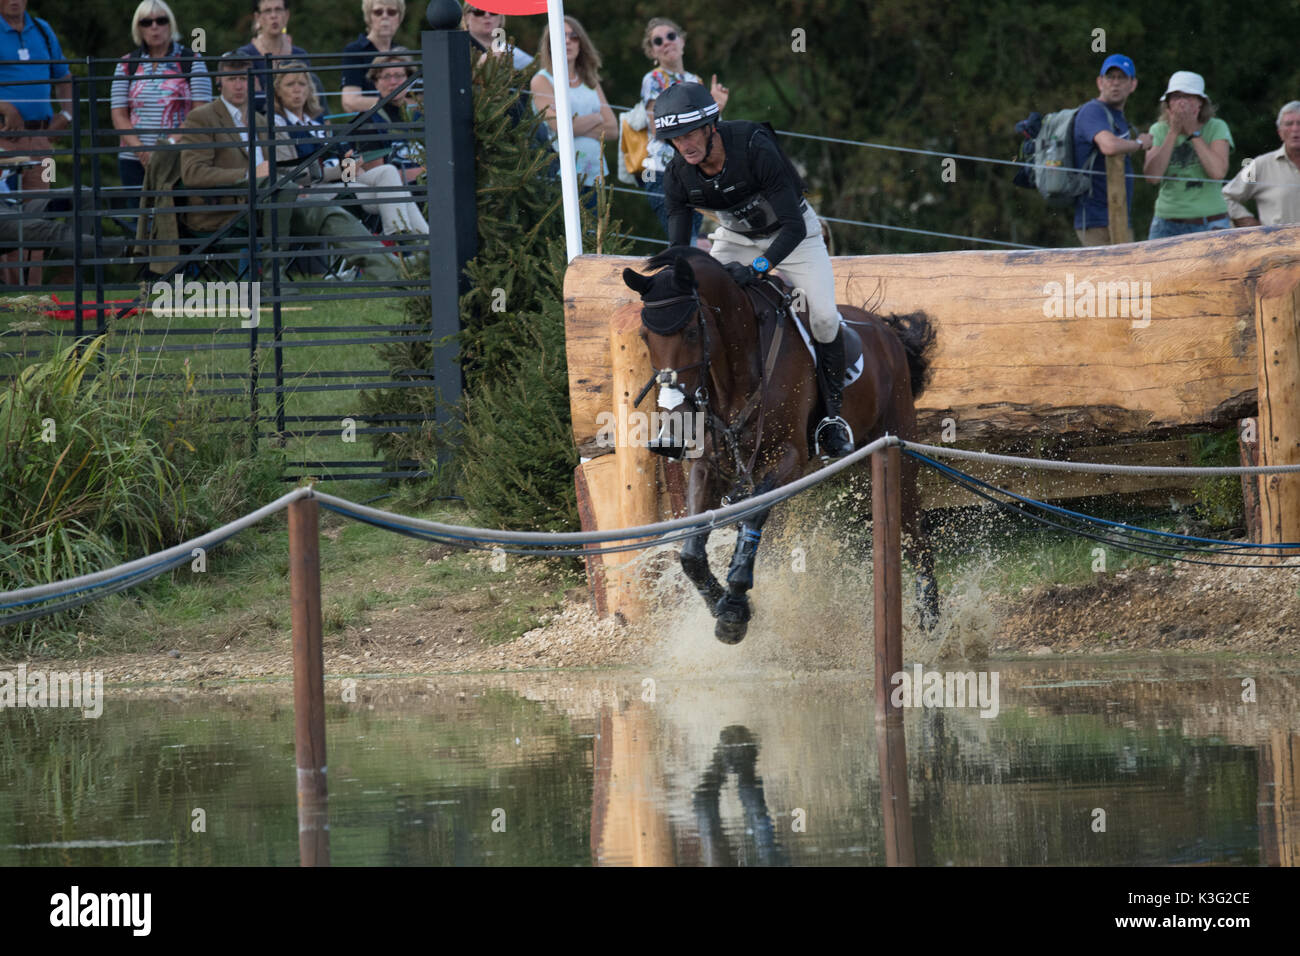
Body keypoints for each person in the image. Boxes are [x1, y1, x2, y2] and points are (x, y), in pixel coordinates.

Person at [654, 81, 853, 458]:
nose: (686, 145)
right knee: (695, 311)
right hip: (735, 238)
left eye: (691, 133)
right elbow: (680, 250)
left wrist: (761, 268)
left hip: (795, 237)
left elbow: (793, 226)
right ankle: (682, 419)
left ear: (712, 126)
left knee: (825, 318)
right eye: (677, 139)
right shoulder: (678, 175)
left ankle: (831, 420)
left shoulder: (753, 146)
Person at [180, 53, 401, 282]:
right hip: (231, 210)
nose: (239, 85)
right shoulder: (202, 118)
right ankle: (275, 280)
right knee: (326, 197)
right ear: (219, 82)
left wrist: (300, 181)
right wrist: (249, 175)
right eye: (231, 78)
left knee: (332, 212)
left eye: (244, 78)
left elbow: (283, 168)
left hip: (279, 199)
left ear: (254, 82)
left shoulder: (261, 121)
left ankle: (395, 271)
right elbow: (193, 174)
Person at [272, 60, 427, 235]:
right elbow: (290, 173)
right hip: (314, 190)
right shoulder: (278, 125)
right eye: (290, 84)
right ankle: (405, 243)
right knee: (392, 189)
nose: (297, 89)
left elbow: (336, 160)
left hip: (344, 181)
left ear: (309, 89)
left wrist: (352, 165)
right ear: (278, 91)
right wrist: (345, 169)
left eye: (302, 83)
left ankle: (420, 241)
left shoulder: (315, 122)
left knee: (388, 174)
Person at [637, 16, 729, 245]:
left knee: (689, 242)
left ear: (682, 41)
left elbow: (710, 132)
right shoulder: (653, 79)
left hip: (693, 170)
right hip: (662, 172)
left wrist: (717, 108)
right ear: (653, 52)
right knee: (683, 240)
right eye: (658, 41)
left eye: (670, 36)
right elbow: (657, 127)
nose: (666, 42)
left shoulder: (694, 80)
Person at [111, 0, 211, 191]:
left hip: (180, 156)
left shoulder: (192, 60)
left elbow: (202, 111)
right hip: (133, 159)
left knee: (177, 217)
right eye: (146, 22)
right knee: (138, 217)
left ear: (170, 24)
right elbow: (119, 115)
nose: (154, 27)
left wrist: (168, 145)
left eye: (161, 20)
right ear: (138, 28)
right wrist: (141, 150)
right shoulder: (126, 64)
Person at [530, 15, 616, 198]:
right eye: (561, 36)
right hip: (558, 175)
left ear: (581, 43)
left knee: (592, 227)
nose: (567, 41)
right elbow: (558, 127)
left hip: (594, 177)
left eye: (573, 36)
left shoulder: (591, 81)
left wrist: (573, 124)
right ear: (550, 43)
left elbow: (613, 130)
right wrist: (596, 118)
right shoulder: (542, 80)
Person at [1072, 53, 1152, 246]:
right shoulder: (1092, 111)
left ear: (1133, 85)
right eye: (1110, 77)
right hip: (1096, 221)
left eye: (1122, 78)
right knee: (1113, 276)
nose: (1115, 83)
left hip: (1118, 217)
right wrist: (1139, 144)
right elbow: (1109, 146)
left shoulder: (1117, 117)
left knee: (1124, 275)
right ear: (1100, 82)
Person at [1142, 71, 1233, 239]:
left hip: (1210, 222)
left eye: (1188, 97)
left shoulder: (1217, 127)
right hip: (1166, 223)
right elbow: (1152, 177)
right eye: (1176, 97)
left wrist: (1193, 133)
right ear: (1167, 104)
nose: (1182, 103)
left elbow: (1218, 173)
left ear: (1200, 104)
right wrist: (1173, 133)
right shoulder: (1158, 129)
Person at [0, 0, 72, 194]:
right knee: (6, 210)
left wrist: (66, 115)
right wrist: (3, 107)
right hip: (5, 137)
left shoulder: (43, 29)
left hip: (44, 139)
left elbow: (64, 76)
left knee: (43, 204)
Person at [232, 0, 323, 110]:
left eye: (278, 10)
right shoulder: (245, 55)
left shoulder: (300, 55)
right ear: (257, 17)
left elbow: (308, 99)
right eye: (267, 11)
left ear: (287, 15)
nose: (273, 16)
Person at [1222, 102, 1300, 227]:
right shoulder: (1260, 165)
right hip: (1278, 245)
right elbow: (1225, 197)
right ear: (1280, 132)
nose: (1295, 129)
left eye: (1299, 123)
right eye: (1289, 124)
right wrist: (1247, 221)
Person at [340, 0, 406, 114]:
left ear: (399, 18)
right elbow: (349, 102)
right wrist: (393, 103)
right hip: (370, 126)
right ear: (368, 17)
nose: (385, 16)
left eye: (391, 12)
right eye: (378, 12)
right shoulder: (354, 51)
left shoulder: (402, 53)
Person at [461, 3, 532, 69]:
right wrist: (481, 63)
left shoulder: (516, 54)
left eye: (493, 11)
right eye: (479, 11)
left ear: (501, 17)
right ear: (466, 17)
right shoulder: (457, 47)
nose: (487, 15)